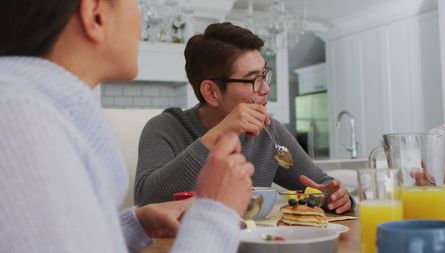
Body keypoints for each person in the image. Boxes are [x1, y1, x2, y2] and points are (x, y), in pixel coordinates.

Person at [0, 1, 255, 252]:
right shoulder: (21, 127)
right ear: (95, 14)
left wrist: (132, 225)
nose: (140, 20)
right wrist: (215, 212)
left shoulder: (37, 112)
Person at [135, 22, 354, 214]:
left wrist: (335, 198)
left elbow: (321, 184)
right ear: (211, 92)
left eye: (264, 75)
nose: (266, 88)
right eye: (254, 80)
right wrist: (220, 133)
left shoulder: (269, 132)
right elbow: (146, 201)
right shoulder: (164, 128)